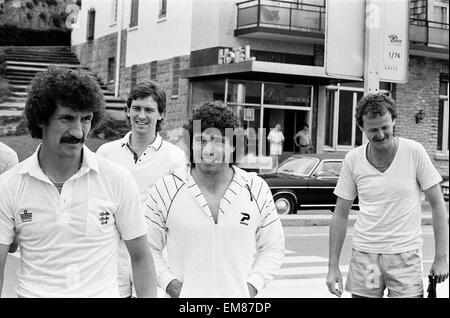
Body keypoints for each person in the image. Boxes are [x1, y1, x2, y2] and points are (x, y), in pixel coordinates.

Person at [0, 66, 157, 298]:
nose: (78, 131)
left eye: (86, 119)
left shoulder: (116, 179)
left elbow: (142, 256)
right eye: (67, 118)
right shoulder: (9, 185)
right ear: (42, 119)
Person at [145, 101, 285, 298]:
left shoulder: (256, 188)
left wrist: (252, 286)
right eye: (201, 140)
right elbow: (148, 247)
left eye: (219, 141)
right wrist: (171, 285)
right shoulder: (166, 188)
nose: (209, 150)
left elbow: (273, 246)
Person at [326, 93, 449, 298]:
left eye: (385, 127)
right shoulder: (353, 159)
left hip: (405, 257)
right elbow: (340, 214)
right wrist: (333, 266)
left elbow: (437, 205)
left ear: (394, 120)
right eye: (373, 130)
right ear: (361, 128)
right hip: (366, 257)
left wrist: (441, 258)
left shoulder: (414, 152)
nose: (381, 135)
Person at [97, 80, 187, 298]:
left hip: (152, 255)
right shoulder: (105, 154)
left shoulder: (175, 158)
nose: (142, 115)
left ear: (161, 115)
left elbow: (178, 212)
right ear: (127, 111)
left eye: (149, 110)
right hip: (111, 256)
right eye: (136, 108)